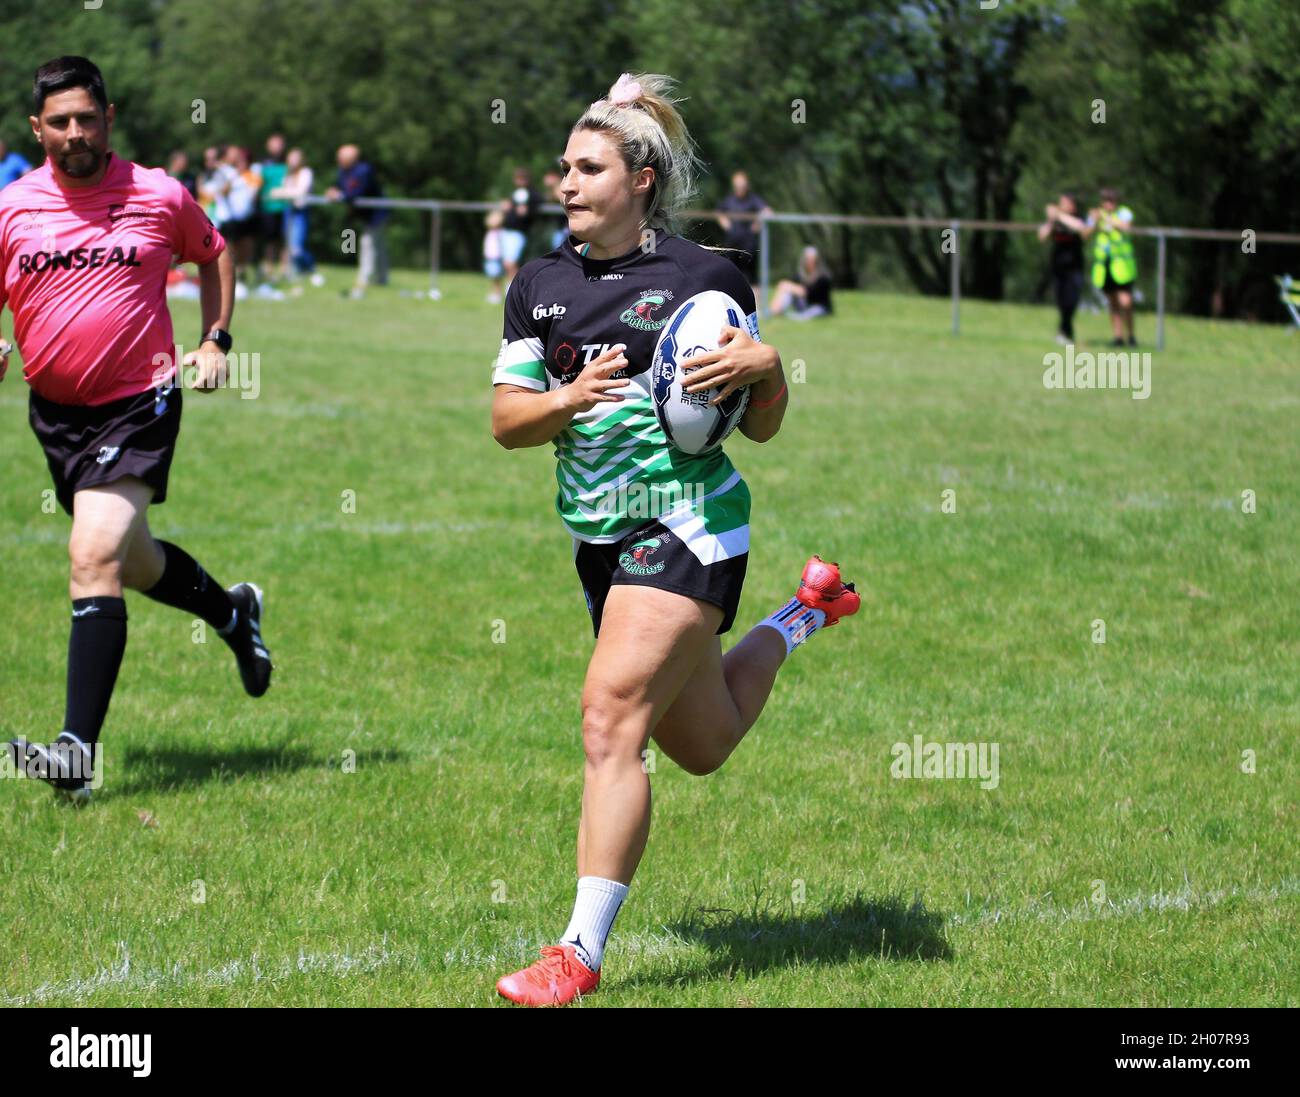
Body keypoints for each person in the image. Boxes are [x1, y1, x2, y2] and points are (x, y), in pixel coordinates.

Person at [490, 72, 860, 1007]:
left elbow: (760, 424)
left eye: (587, 168)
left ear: (641, 177)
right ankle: (808, 610)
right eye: (562, 168)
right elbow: (505, 420)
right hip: (600, 539)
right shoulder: (540, 284)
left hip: (690, 521)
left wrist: (770, 371)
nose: (564, 182)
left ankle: (576, 951)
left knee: (609, 714)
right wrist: (565, 400)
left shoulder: (709, 279)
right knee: (704, 742)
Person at [0, 57, 273, 804]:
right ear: (37, 129)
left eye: (87, 118)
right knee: (134, 558)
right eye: (60, 122)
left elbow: (215, 253)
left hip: (139, 399)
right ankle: (233, 612)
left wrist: (216, 338)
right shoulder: (13, 205)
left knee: (92, 553)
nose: (75, 132)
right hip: (55, 414)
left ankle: (75, 755)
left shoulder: (157, 193)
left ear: (109, 118)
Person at [326, 144, 388, 296]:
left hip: (376, 213)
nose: (338, 160)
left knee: (368, 244)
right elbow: (340, 186)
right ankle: (381, 278)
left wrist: (339, 196)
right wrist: (333, 190)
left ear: (351, 158)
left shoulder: (363, 170)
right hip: (363, 214)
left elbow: (356, 192)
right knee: (375, 245)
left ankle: (366, 278)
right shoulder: (343, 170)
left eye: (341, 157)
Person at [1088, 187, 1138, 346]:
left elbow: (1126, 226)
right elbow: (1085, 233)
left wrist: (1106, 219)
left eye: (1111, 201)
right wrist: (1094, 222)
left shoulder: (1124, 213)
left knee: (1126, 303)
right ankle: (1118, 337)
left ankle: (1131, 335)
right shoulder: (1096, 215)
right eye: (1106, 201)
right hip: (1105, 267)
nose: (1109, 204)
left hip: (1123, 268)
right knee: (1113, 303)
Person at [1037, 191, 1086, 344]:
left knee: (1072, 299)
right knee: (1061, 299)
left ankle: (1064, 331)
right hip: (1058, 263)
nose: (1061, 206)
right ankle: (1065, 332)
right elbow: (1042, 236)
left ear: (1072, 205)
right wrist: (1052, 221)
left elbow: (1080, 228)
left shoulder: (1079, 218)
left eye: (1064, 203)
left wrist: (1058, 215)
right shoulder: (1055, 221)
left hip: (1075, 265)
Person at [715, 170, 771, 294]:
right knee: (730, 274)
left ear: (747, 185)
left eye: (742, 185)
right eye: (737, 185)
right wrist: (726, 224)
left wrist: (757, 224)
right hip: (731, 243)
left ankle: (757, 309)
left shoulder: (753, 199)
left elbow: (767, 211)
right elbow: (719, 212)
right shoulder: (729, 200)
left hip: (748, 244)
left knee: (752, 277)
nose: (740, 188)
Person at [269, 146, 317, 280]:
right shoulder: (288, 174)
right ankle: (293, 271)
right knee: (288, 244)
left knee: (297, 247)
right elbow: (280, 192)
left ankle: (309, 266)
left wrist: (283, 192)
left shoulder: (306, 172)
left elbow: (300, 192)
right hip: (289, 210)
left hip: (301, 211)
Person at [768, 245, 834, 320]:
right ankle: (773, 311)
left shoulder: (823, 277)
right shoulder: (800, 275)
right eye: (807, 259)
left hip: (819, 307)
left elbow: (808, 293)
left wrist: (789, 286)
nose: (809, 262)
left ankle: (774, 312)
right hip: (804, 305)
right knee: (786, 290)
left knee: (787, 286)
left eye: (811, 259)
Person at [255, 133, 288, 281]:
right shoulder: (262, 163)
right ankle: (268, 266)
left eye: (279, 143)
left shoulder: (288, 161)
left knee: (283, 239)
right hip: (267, 206)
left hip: (285, 206)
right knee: (269, 239)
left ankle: (284, 267)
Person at [500, 165, 537, 286]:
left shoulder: (532, 194)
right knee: (506, 263)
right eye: (518, 178)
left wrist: (527, 210)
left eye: (523, 178)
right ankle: (510, 287)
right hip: (506, 231)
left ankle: (513, 288)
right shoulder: (515, 193)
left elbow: (537, 204)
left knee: (511, 262)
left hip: (518, 232)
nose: (520, 181)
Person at [483, 205, 506, 303]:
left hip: (497, 257)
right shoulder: (490, 233)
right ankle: (495, 293)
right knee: (493, 276)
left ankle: (498, 293)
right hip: (490, 257)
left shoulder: (501, 233)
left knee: (497, 276)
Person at [542, 168, 568, 251]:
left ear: (554, 177)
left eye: (548, 177)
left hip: (566, 229)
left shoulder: (561, 188)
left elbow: (561, 198)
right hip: (560, 228)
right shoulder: (552, 191)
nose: (545, 179)